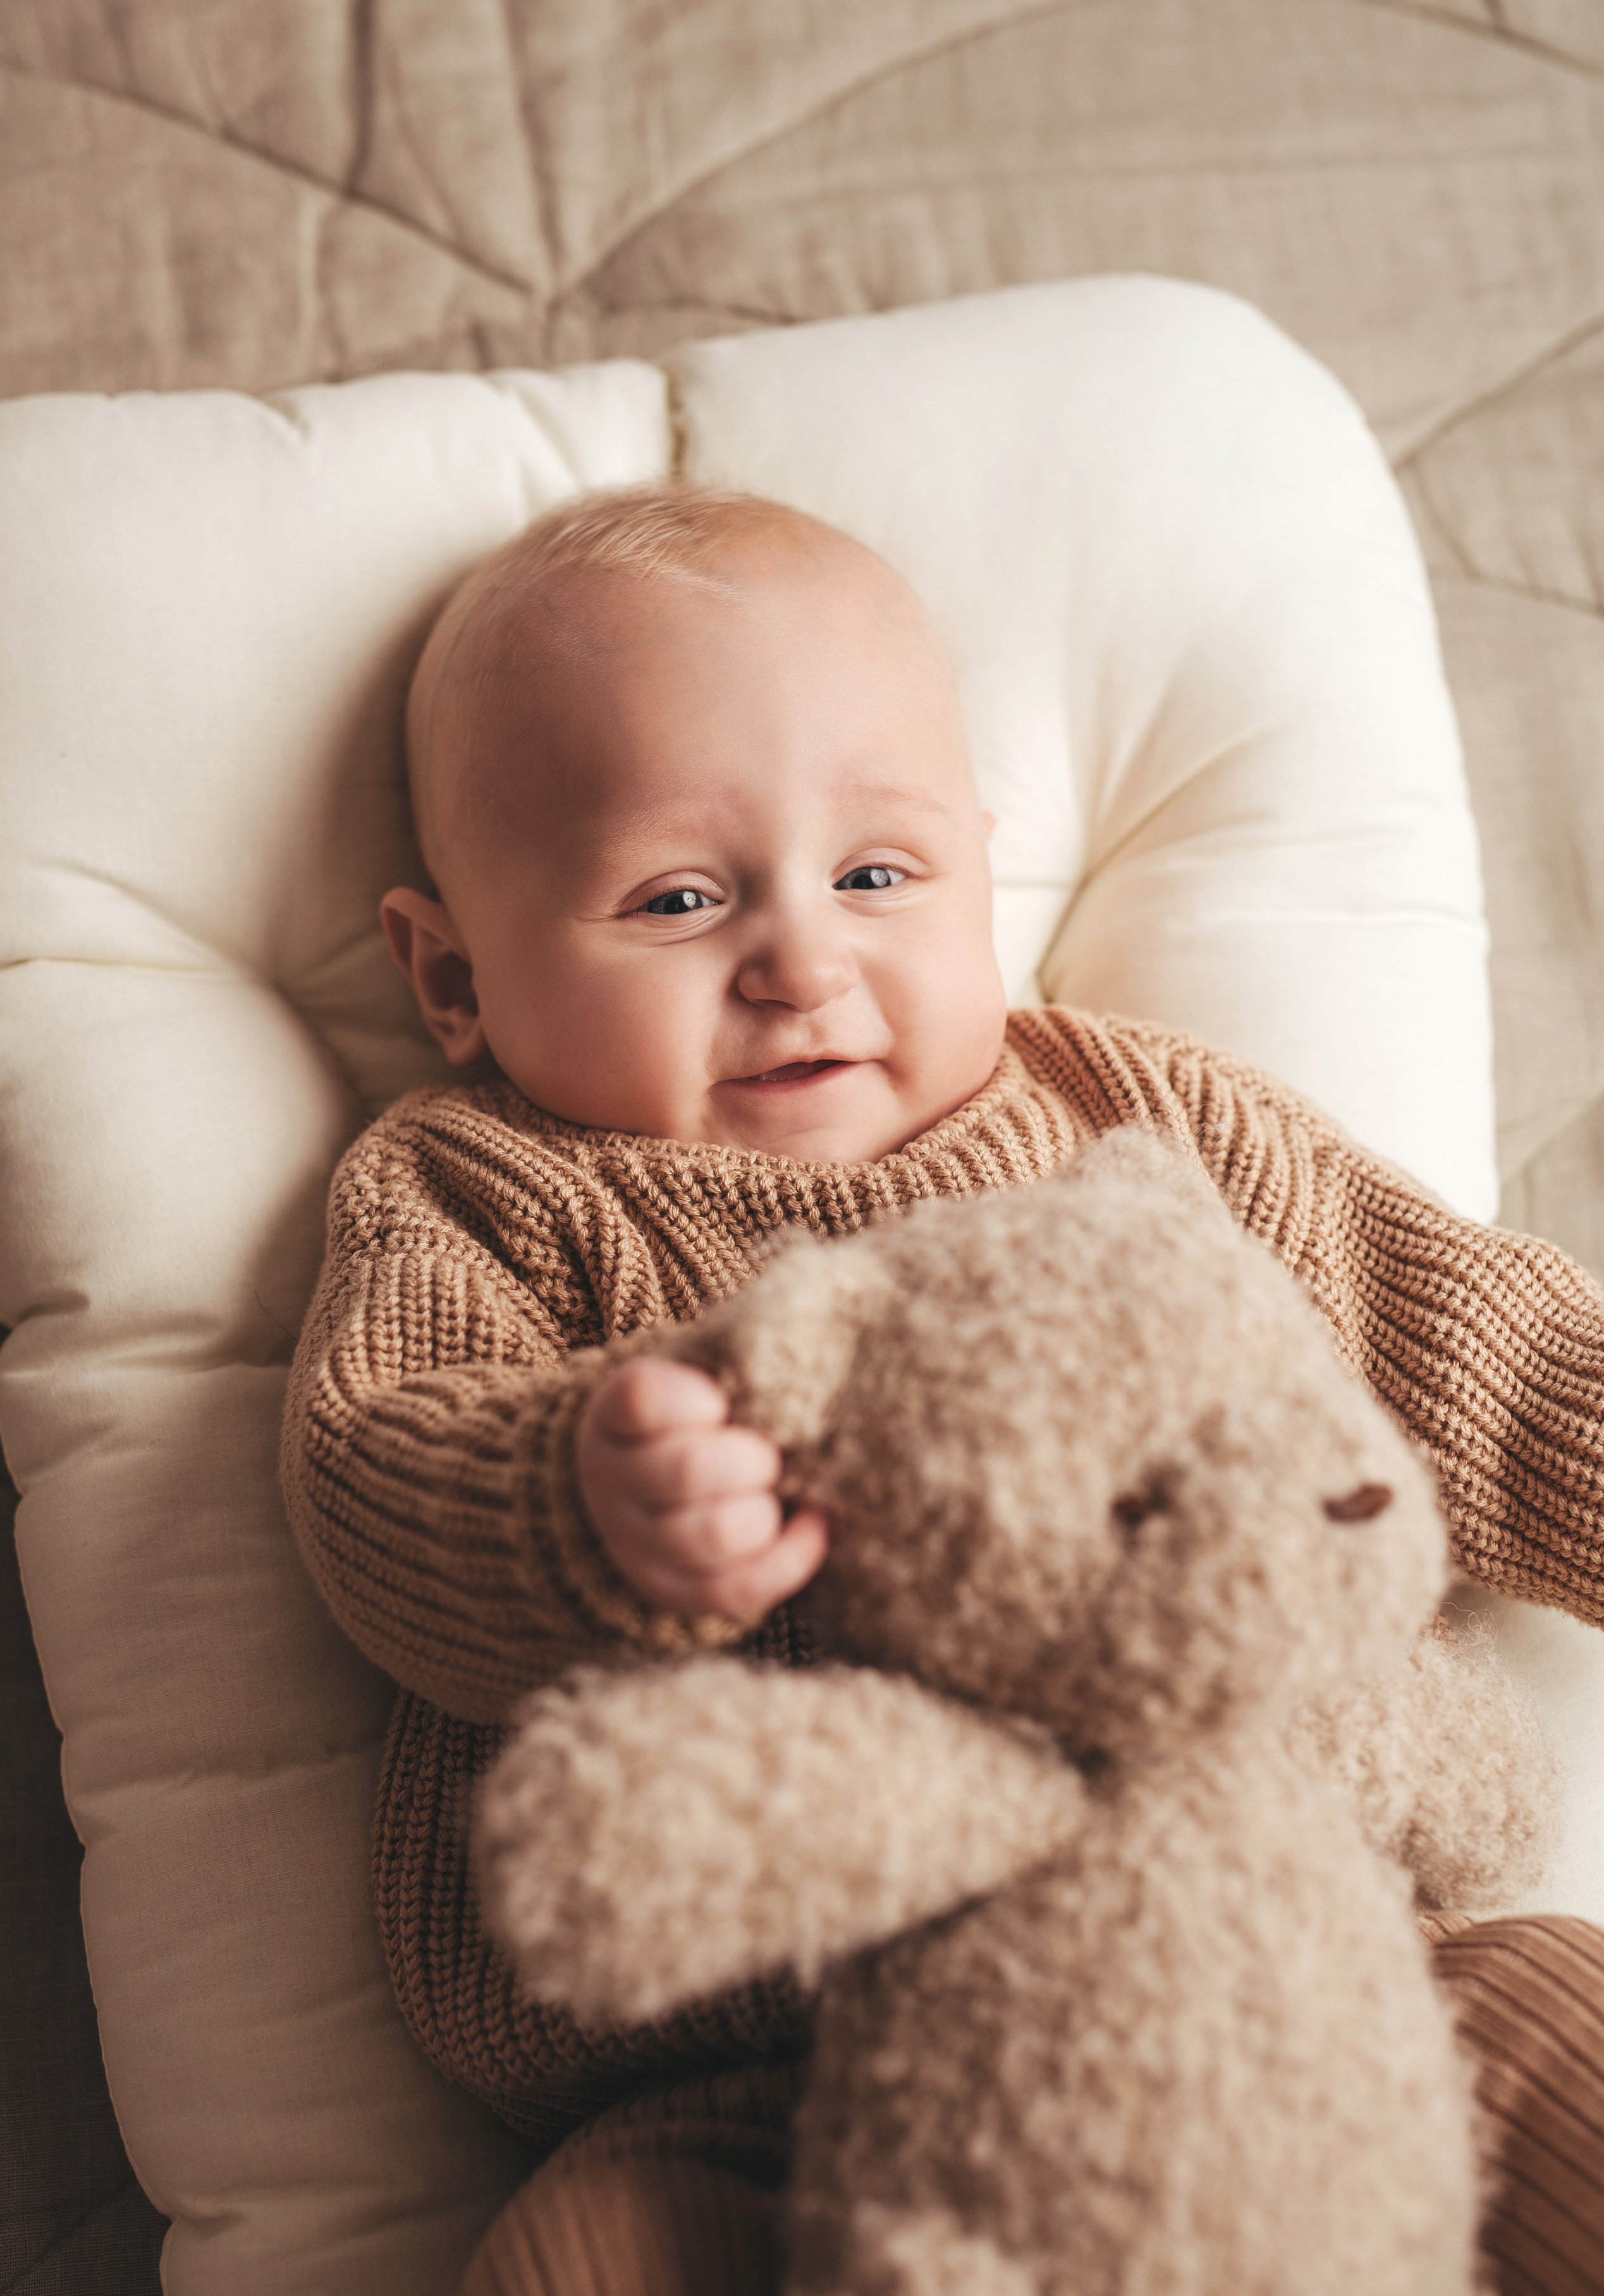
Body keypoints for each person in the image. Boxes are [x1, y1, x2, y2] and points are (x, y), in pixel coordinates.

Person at [281, 484, 1604, 2296]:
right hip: (768, 2070)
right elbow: (370, 1472)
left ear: (982, 871)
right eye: (679, 896)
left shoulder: (1143, 1124)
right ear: (451, 974)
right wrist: (575, 1498)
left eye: (880, 875)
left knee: (1569, 2042)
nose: (803, 959)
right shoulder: (487, 1193)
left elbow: (1494, 1358)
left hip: (1328, 1961)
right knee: (579, 2262)